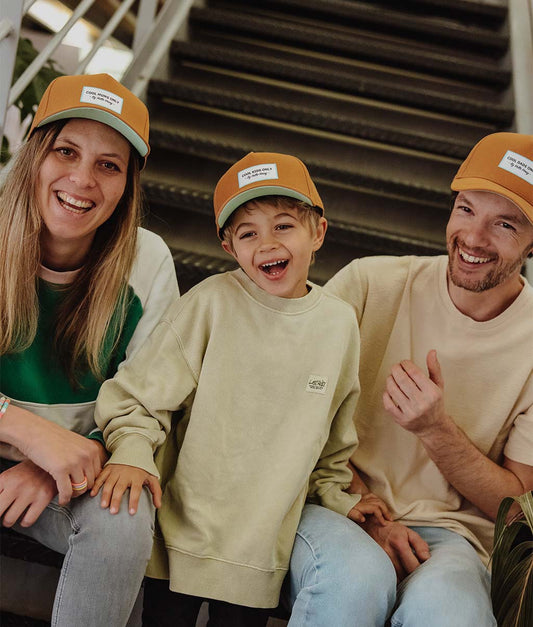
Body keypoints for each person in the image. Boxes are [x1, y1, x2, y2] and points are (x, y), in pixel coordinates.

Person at [93, 151, 390, 626]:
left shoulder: (338, 325)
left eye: (284, 226)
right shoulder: (209, 303)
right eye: (248, 233)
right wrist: (130, 449)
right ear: (230, 246)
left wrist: (339, 499)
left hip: (258, 555)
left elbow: (331, 443)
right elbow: (137, 396)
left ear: (318, 233)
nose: (267, 243)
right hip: (176, 540)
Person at [287, 131, 533, 626]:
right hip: (334, 501)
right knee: (354, 581)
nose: (474, 238)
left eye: (504, 224)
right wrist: (366, 510)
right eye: (465, 209)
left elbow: (517, 514)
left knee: (453, 617)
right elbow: (289, 411)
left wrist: (435, 431)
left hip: (451, 535)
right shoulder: (368, 283)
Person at [0, 73, 179, 626]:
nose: (82, 178)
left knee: (124, 517)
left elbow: (148, 401)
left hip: (73, 469)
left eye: (108, 164)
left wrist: (59, 463)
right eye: (66, 151)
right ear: (35, 154)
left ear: (128, 184)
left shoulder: (146, 263)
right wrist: (26, 432)